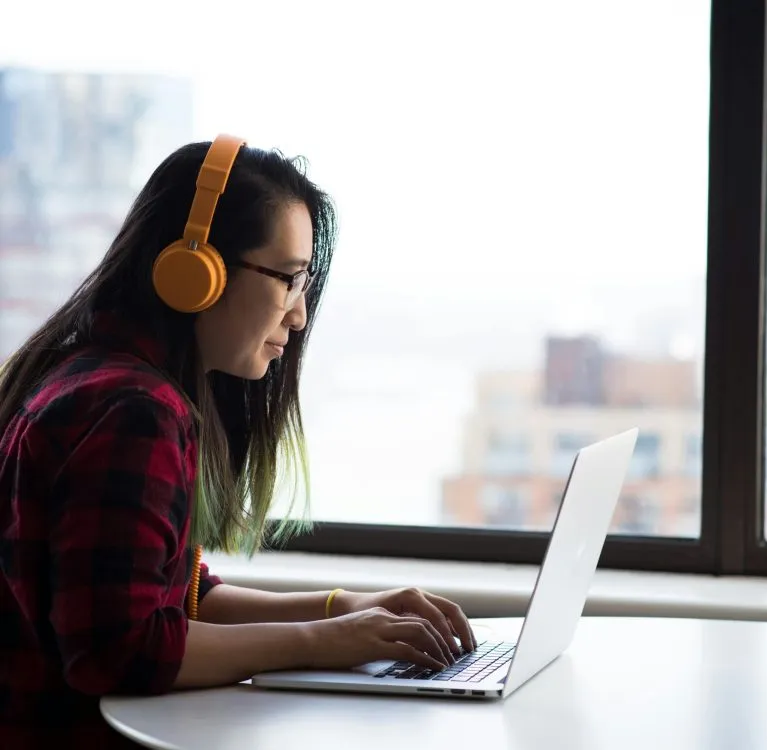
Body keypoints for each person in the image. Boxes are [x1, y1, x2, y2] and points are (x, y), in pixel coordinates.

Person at [0, 135, 478, 748]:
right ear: (195, 269)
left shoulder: (100, 377)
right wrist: (326, 644)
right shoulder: (133, 412)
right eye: (288, 279)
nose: (299, 315)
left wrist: (343, 608)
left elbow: (183, 598)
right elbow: (119, 649)